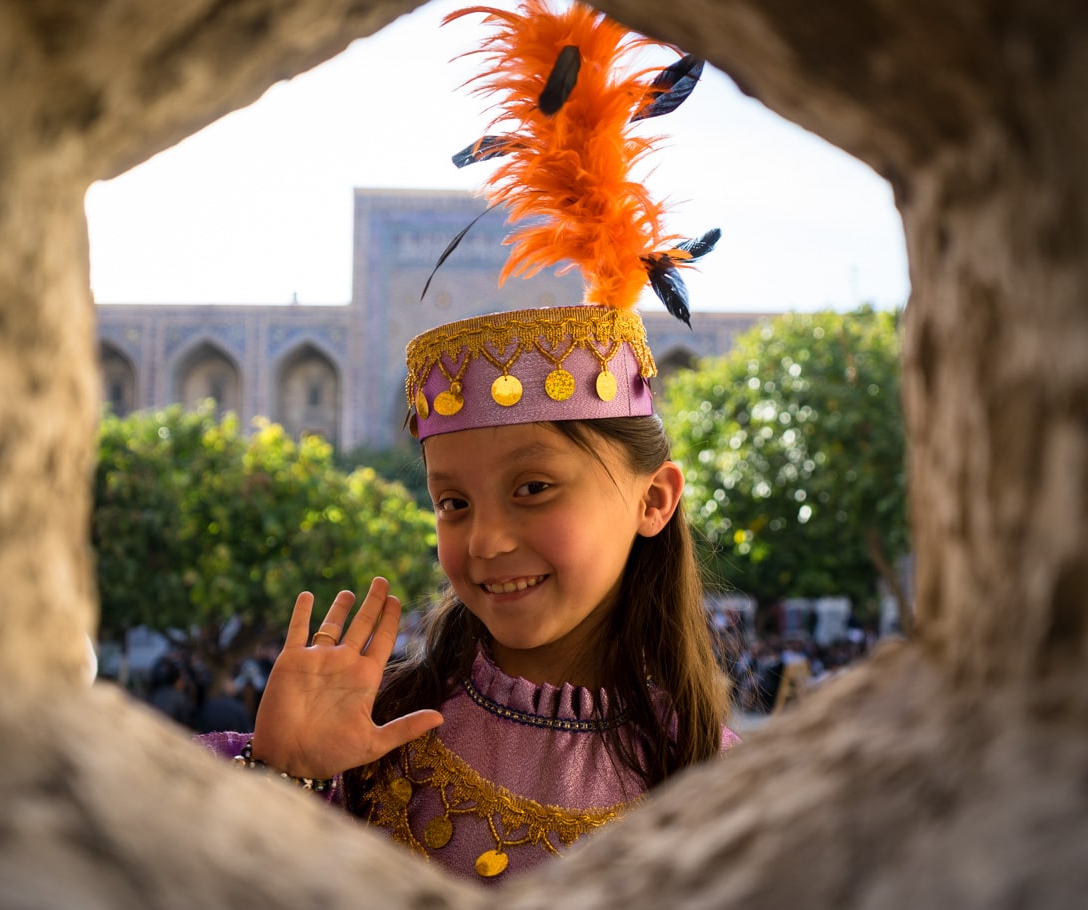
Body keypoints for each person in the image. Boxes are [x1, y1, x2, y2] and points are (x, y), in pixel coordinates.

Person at [197, 0, 738, 883]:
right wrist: (284, 777)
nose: (483, 540)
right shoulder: (371, 738)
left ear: (654, 498)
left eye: (534, 488)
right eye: (452, 501)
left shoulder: (725, 783)